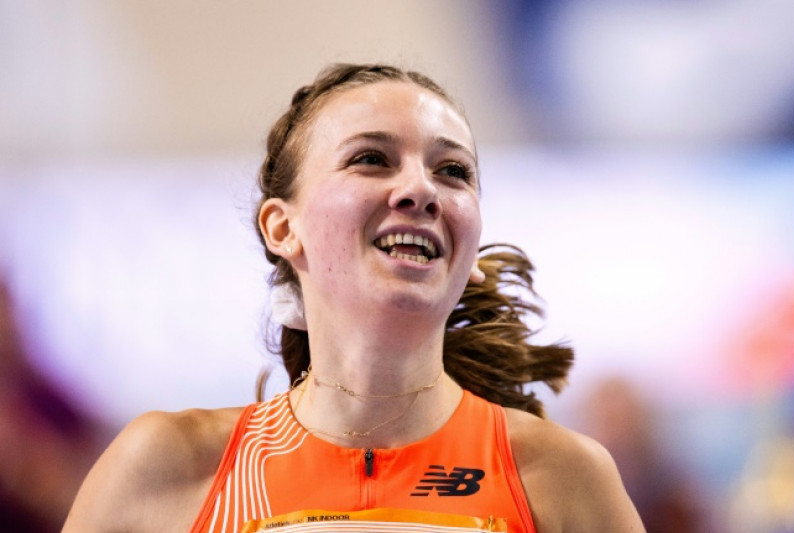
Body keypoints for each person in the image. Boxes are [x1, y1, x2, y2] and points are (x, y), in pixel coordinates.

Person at [62, 63, 644, 532]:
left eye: (452, 171)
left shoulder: (560, 476)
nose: (420, 188)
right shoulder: (168, 468)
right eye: (371, 158)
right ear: (282, 228)